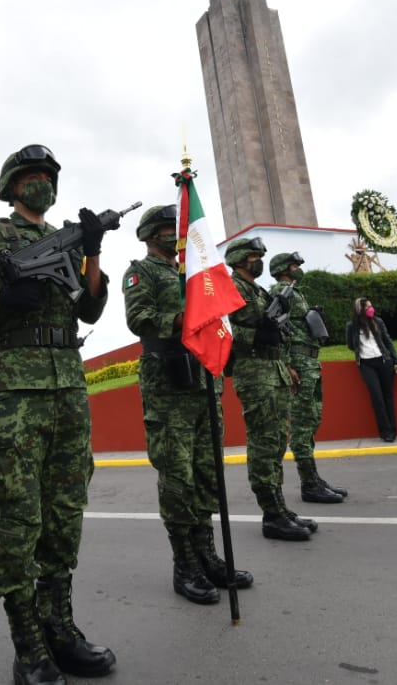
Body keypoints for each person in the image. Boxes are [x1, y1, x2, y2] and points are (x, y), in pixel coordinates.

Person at [0, 143, 117, 685]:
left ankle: (60, 627)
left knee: (65, 512)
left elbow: (88, 307)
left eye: (48, 175)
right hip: (17, 388)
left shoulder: (62, 242)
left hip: (68, 383)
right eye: (31, 175)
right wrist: (0, 302)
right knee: (21, 516)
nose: (41, 182)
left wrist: (92, 252)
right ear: (12, 184)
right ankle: (28, 642)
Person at [123, 204, 253, 605]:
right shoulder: (140, 272)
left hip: (204, 384)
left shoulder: (192, 274)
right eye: (164, 229)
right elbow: (139, 318)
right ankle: (185, 565)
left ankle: (208, 555)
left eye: (173, 228)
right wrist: (187, 315)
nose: (171, 234)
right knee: (178, 479)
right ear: (148, 235)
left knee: (206, 474)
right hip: (170, 388)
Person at [224, 237, 315, 541]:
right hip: (254, 371)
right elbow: (222, 327)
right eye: (253, 256)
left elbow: (268, 325)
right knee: (264, 442)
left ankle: (280, 507)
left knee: (277, 440)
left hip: (273, 369)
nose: (258, 260)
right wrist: (257, 334)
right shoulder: (233, 287)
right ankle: (271, 515)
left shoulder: (257, 289)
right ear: (239, 260)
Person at [268, 252, 347, 504]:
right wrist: (287, 364)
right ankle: (309, 484)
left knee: (312, 418)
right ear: (282, 269)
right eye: (294, 265)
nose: (298, 268)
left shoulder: (295, 291)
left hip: (310, 361)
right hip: (299, 364)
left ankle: (314, 478)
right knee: (302, 423)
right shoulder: (281, 292)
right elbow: (277, 329)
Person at [346, 297, 397, 442]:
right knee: (377, 397)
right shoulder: (352, 326)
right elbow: (351, 345)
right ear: (360, 310)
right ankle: (385, 431)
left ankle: (393, 430)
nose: (371, 309)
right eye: (367, 307)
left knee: (388, 396)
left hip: (384, 361)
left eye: (371, 306)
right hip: (366, 364)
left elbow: (388, 341)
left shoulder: (378, 322)